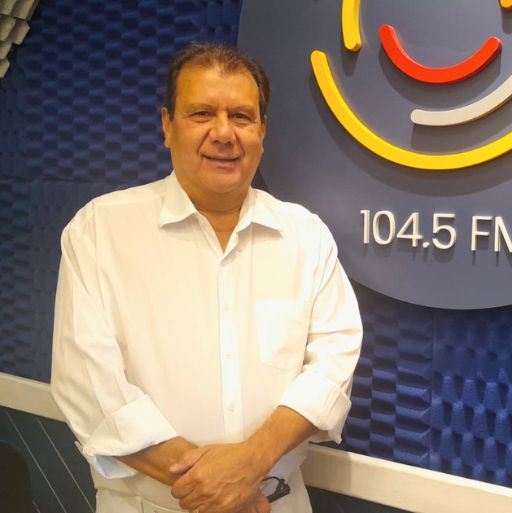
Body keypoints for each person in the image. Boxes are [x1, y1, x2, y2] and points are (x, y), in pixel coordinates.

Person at [50, 42, 362, 513]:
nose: (223, 133)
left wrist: (248, 467)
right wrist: (214, 488)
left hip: (274, 503)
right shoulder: (100, 230)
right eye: (201, 114)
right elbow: (89, 387)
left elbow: (332, 368)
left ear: (262, 130)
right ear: (167, 125)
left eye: (241, 116)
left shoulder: (306, 236)